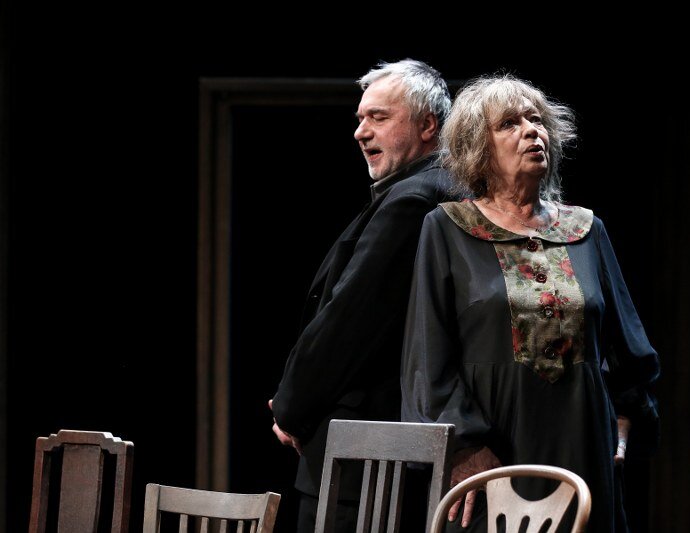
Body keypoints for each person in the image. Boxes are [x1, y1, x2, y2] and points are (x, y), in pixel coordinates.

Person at [401, 74, 660, 532]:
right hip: (492, 452)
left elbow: (627, 343)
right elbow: (427, 355)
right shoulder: (446, 229)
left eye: (536, 120)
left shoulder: (585, 230)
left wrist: (624, 419)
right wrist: (464, 447)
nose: (531, 131)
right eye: (509, 124)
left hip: (582, 442)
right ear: (478, 146)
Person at [269, 59, 455, 532]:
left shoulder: (414, 200)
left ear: (428, 125)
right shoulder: (425, 191)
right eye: (359, 118)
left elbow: (349, 321)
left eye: (378, 117)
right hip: (375, 457)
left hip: (365, 463)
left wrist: (292, 407)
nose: (360, 131)